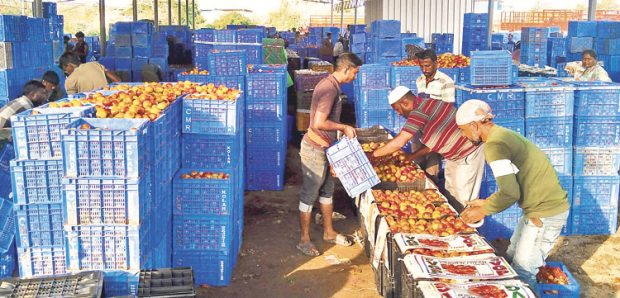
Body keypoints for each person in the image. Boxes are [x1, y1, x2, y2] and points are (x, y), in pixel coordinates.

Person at [456, 99, 570, 289]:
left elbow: (510, 193)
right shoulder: (502, 135)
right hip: (537, 208)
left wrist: (484, 210)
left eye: (463, 129)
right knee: (510, 256)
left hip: (545, 211)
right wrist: (486, 202)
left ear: (474, 125)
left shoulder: (495, 145)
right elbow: (513, 185)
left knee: (524, 269)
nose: (463, 135)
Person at [371, 86, 485, 208]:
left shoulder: (419, 112)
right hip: (454, 156)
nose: (398, 114)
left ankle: (467, 224)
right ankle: (457, 219)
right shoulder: (429, 104)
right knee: (451, 193)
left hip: (468, 154)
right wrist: (412, 156)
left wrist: (372, 155)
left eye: (397, 109)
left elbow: (400, 141)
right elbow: (434, 145)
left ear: (404, 102)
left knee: (464, 197)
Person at [297, 53, 363, 256]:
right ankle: (304, 239)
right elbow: (319, 123)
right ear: (346, 69)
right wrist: (344, 127)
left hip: (325, 148)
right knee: (310, 194)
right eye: (355, 72)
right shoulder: (328, 89)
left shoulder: (332, 86)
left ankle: (329, 232)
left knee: (327, 190)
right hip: (314, 150)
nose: (355, 77)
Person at [414, 48, 456, 178]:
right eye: (422, 66)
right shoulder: (419, 80)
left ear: (436, 64)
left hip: (436, 128)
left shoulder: (446, 82)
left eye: (427, 66)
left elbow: (448, 108)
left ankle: (432, 186)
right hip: (420, 126)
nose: (425, 69)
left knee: (432, 163)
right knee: (417, 160)